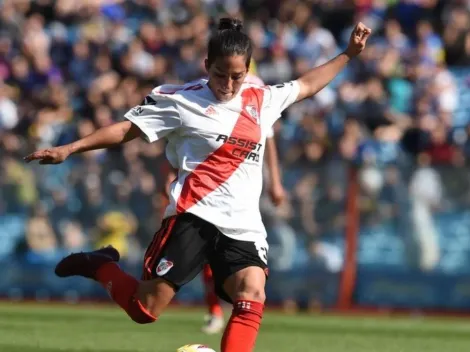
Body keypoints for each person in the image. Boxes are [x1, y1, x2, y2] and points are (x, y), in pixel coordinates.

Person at [25, 18, 371, 352]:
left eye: (237, 76)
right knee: (144, 310)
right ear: (207, 65)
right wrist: (69, 148)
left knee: (252, 294)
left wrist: (348, 55)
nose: (228, 84)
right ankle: (98, 265)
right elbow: (125, 130)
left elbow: (307, 84)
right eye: (220, 74)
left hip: (243, 226)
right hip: (193, 216)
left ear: (248, 70)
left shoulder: (262, 99)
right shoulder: (180, 100)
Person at [160, 66, 285, 335]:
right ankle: (214, 309)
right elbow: (185, 139)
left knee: (244, 262)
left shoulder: (258, 88)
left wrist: (275, 181)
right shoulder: (202, 89)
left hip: (247, 185)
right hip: (205, 193)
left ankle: (229, 306)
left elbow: (269, 138)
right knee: (206, 252)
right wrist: (170, 173)